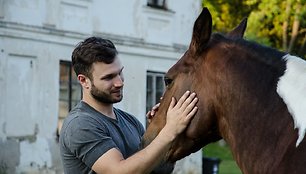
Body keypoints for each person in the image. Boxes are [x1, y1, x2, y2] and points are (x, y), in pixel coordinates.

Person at [59, 36, 198, 174]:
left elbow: (158, 170)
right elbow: (119, 171)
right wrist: (169, 132)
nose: (119, 82)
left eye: (120, 72)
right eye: (108, 77)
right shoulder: (79, 124)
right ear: (84, 81)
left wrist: (163, 130)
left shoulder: (131, 122)